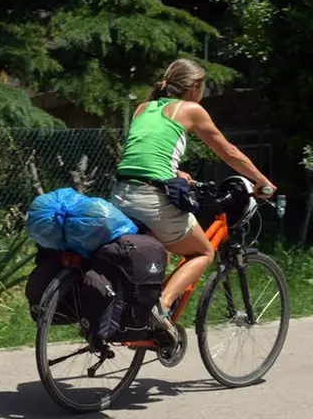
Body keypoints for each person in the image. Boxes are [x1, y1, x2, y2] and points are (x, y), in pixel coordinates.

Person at [110, 58, 276, 344]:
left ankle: (134, 319)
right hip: (152, 198)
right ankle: (160, 308)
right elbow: (229, 152)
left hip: (120, 195)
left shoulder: (143, 108)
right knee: (203, 252)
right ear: (195, 86)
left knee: (158, 251)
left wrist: (175, 172)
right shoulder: (191, 110)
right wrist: (262, 181)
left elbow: (143, 154)